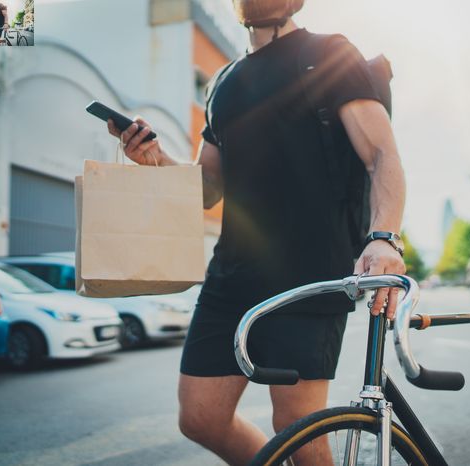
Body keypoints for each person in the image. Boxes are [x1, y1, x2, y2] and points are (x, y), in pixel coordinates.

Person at [107, 0, 406, 464]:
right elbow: (207, 189)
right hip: (232, 276)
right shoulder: (223, 83)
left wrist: (384, 237)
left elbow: (381, 154)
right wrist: (155, 161)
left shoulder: (330, 54)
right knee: (200, 417)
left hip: (310, 271)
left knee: (298, 430)